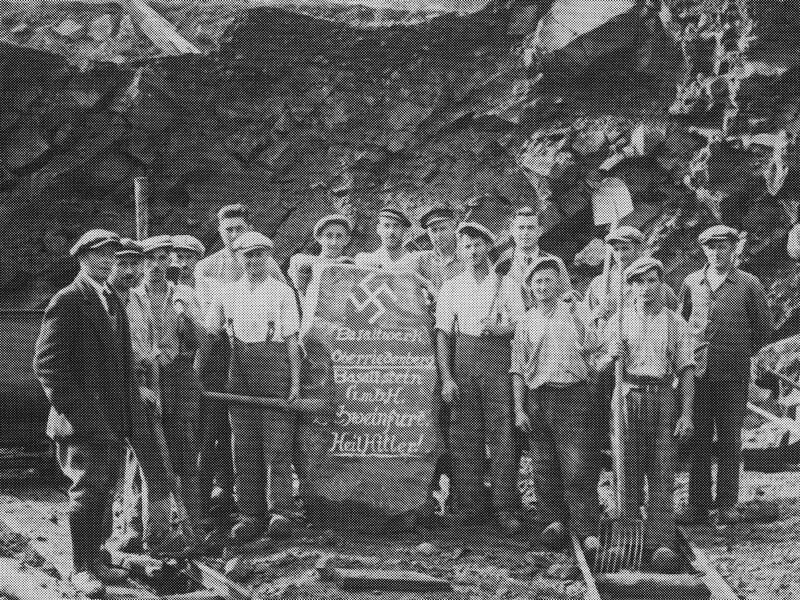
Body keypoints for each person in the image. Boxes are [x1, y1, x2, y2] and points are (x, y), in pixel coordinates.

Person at [34, 231, 173, 598]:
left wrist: (129, 418)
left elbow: (123, 366)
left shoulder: (112, 299)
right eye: (99, 255)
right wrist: (87, 418)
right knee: (88, 492)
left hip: (114, 420)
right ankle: (81, 568)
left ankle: (95, 559)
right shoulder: (68, 301)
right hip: (82, 424)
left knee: (105, 491)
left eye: (112, 254)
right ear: (81, 258)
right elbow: (48, 367)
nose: (107, 261)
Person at [203, 231, 302, 544]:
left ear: (268, 256)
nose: (254, 260)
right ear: (238, 258)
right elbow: (210, 332)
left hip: (275, 369)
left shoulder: (282, 292)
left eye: (259, 254)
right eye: (248, 255)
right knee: (243, 444)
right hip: (238, 369)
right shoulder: (227, 292)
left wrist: (295, 383)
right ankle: (249, 513)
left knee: (277, 445)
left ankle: (280, 513)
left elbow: (291, 341)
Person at [597, 257, 695, 570]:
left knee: (662, 470)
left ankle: (660, 543)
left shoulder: (674, 322)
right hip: (626, 393)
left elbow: (687, 370)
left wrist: (687, 414)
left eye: (651, 281)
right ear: (630, 287)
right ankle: (626, 541)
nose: (645, 288)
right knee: (626, 468)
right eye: (637, 282)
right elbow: (600, 366)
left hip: (663, 395)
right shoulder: (620, 320)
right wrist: (615, 356)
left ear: (660, 283)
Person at [677, 225, 772, 525]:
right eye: (712, 247)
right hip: (699, 376)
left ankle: (728, 503)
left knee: (730, 441)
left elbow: (763, 330)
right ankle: (697, 505)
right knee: (700, 441)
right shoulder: (692, 282)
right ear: (704, 250)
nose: (718, 252)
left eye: (725, 247)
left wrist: (741, 353)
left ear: (734, 249)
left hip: (734, 376)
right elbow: (683, 324)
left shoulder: (749, 284)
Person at [435, 219, 525, 534]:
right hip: (464, 359)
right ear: (460, 251)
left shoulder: (509, 284)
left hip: (498, 362)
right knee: (464, 436)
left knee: (502, 437)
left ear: (488, 247)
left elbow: (522, 328)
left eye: (478, 245)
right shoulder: (452, 285)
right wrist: (447, 377)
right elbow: (444, 335)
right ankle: (469, 506)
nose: (473, 251)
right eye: (466, 246)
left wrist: (502, 329)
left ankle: (506, 508)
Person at [512, 256, 601, 554]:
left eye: (548, 280)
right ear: (530, 286)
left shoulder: (574, 312)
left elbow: (594, 348)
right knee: (544, 465)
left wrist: (579, 313)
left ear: (559, 282)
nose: (542, 286)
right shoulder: (525, 321)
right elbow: (518, 369)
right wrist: (520, 407)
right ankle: (553, 521)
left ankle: (586, 527)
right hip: (539, 397)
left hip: (573, 397)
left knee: (577, 465)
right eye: (537, 281)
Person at [584, 226, 678, 324]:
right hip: (611, 337)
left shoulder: (656, 285)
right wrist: (596, 316)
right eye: (616, 249)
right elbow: (585, 321)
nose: (620, 254)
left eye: (625, 248)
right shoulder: (599, 284)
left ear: (638, 249)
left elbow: (674, 320)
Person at [287, 214, 354, 299]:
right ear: (319, 238)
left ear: (346, 240)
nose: (334, 242)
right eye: (329, 236)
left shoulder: (351, 267)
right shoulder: (304, 262)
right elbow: (298, 262)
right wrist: (336, 263)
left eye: (339, 236)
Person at [496, 206, 550, 305]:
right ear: (512, 230)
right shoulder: (501, 263)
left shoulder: (552, 262)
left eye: (531, 228)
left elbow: (567, 302)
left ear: (540, 231)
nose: (525, 233)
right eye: (521, 227)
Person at [409, 203, 466, 292]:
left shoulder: (468, 255)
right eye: (434, 230)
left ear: (454, 227)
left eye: (443, 229)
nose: (438, 236)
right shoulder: (422, 261)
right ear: (428, 233)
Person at [354, 204, 412, 269]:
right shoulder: (366, 261)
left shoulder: (413, 261)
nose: (391, 232)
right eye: (386, 226)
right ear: (378, 229)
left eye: (396, 226)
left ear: (404, 230)